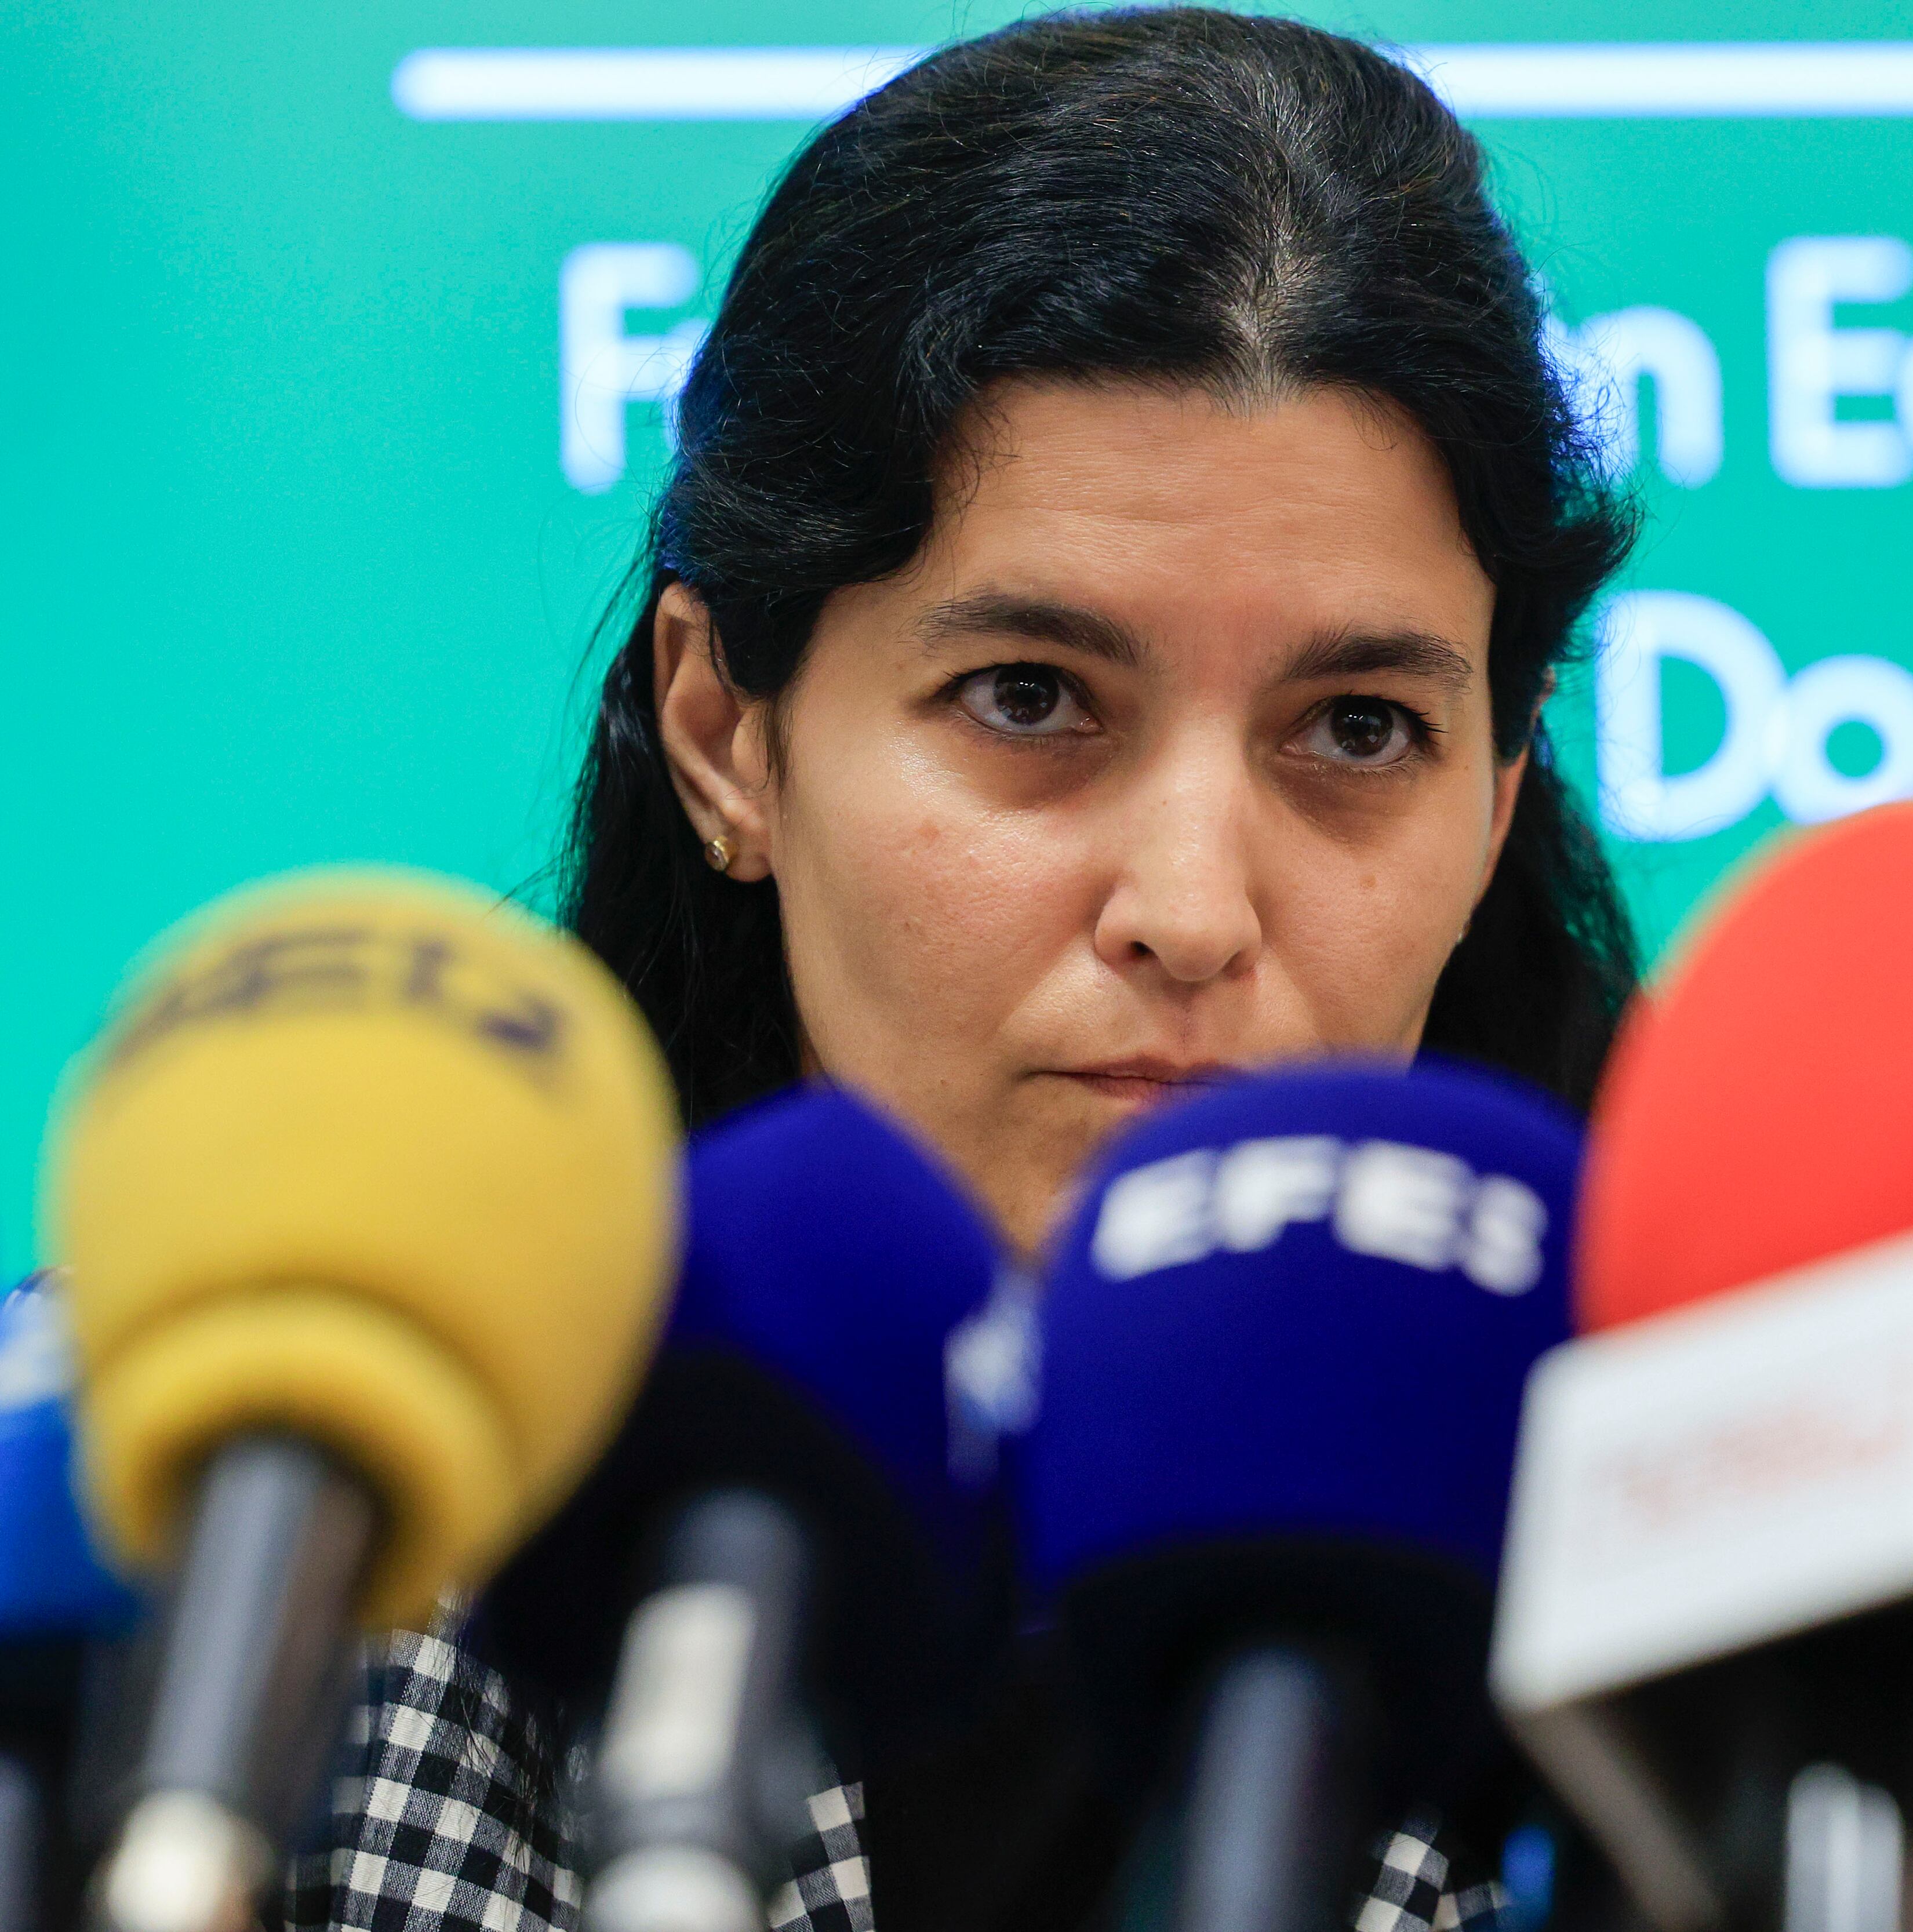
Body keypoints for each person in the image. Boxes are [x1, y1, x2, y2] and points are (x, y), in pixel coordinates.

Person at [283, 11, 1641, 1932]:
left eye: (1355, 732)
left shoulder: (1747, 1608)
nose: (1191, 907)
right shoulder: (282, 1527)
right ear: (722, 732)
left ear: (1496, 800)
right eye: (1031, 701)